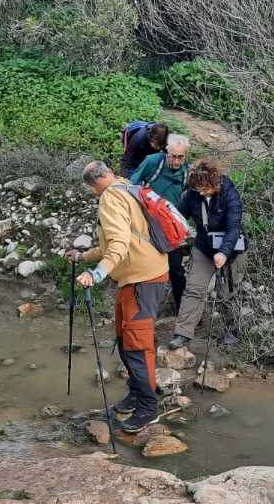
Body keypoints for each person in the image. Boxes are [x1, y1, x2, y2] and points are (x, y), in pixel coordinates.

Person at [68, 161, 169, 432]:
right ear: (108, 173)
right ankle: (137, 394)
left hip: (141, 278)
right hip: (144, 275)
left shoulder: (110, 198)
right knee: (126, 341)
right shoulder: (127, 187)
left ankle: (149, 408)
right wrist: (82, 257)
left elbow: (120, 244)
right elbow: (114, 242)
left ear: (91, 187)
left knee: (136, 345)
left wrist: (96, 274)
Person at [168, 158, 247, 350]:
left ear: (215, 182)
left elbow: (234, 227)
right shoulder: (193, 194)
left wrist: (224, 253)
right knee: (194, 287)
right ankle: (182, 333)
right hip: (204, 247)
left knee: (228, 291)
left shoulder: (230, 194)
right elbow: (177, 217)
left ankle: (232, 331)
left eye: (205, 188)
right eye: (198, 188)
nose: (201, 192)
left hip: (231, 249)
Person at [130, 133, 191, 311]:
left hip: (171, 228)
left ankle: (182, 311)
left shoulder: (188, 172)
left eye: (181, 157)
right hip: (148, 224)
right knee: (144, 266)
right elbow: (132, 186)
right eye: (173, 156)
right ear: (167, 151)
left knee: (176, 269)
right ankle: (140, 308)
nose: (177, 161)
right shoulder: (153, 162)